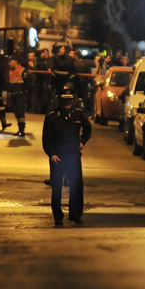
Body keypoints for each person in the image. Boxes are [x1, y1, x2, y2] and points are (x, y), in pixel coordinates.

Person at [42, 89, 92, 226]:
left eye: (70, 100)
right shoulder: (52, 117)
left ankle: (75, 214)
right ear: (60, 102)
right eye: (65, 101)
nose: (69, 103)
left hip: (73, 157)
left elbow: (88, 128)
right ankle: (58, 217)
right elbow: (46, 138)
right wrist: (52, 154)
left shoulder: (77, 115)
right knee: (57, 187)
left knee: (76, 186)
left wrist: (82, 142)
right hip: (58, 158)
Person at [6, 54, 29, 137]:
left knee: (20, 112)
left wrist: (23, 92)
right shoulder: (11, 71)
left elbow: (27, 83)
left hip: (20, 95)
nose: (9, 63)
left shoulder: (22, 70)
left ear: (15, 61)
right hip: (13, 95)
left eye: (10, 61)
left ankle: (22, 130)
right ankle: (19, 129)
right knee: (16, 112)